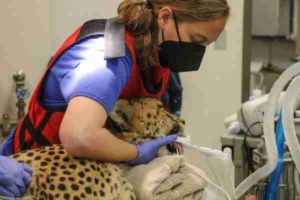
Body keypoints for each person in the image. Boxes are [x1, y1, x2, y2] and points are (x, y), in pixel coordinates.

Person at [0, 0, 230, 187]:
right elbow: (79, 135)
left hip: (91, 176)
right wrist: (136, 153)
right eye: (196, 41)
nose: (197, 52)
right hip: (37, 177)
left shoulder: (153, 54)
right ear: (165, 17)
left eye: (205, 45)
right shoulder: (107, 57)